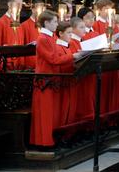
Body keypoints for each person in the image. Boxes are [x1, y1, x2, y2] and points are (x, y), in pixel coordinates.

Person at [30, 10, 80, 147]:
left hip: (52, 80)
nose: (57, 24)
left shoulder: (50, 38)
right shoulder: (42, 38)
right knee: (44, 114)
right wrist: (73, 56)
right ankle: (42, 142)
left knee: (50, 114)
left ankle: (49, 140)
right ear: (46, 23)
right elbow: (53, 59)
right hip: (44, 81)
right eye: (55, 22)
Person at [0, 0, 25, 70]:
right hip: (6, 65)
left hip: (18, 65)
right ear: (9, 4)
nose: (20, 7)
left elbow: (21, 44)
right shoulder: (0, 23)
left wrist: (22, 63)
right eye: (17, 4)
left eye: (21, 5)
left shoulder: (19, 24)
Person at [21, 0, 45, 69]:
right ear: (33, 9)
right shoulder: (24, 25)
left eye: (43, 9)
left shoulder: (45, 25)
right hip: (30, 63)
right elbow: (22, 46)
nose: (42, 11)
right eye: (39, 8)